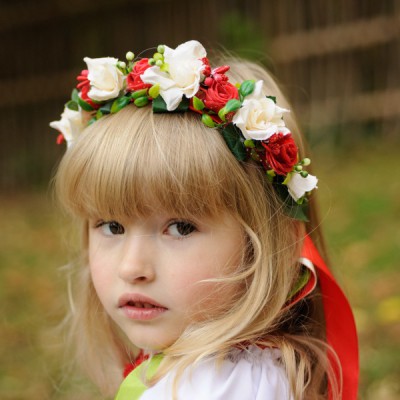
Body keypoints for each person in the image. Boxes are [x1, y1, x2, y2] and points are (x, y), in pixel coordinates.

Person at [50, 40, 358, 399]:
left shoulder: (216, 388)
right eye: (112, 226)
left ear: (262, 244)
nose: (132, 267)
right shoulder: (227, 374)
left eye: (180, 227)